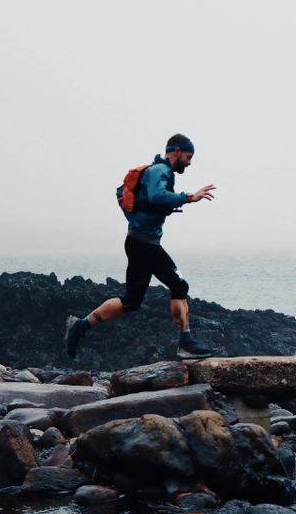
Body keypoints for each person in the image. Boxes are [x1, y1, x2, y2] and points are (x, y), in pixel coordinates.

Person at [65, 133, 217, 360]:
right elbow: (157, 197)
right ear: (176, 152)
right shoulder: (160, 171)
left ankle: (186, 342)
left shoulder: (159, 172)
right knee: (132, 301)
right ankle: (79, 326)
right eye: (188, 156)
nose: (189, 162)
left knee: (179, 286)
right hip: (141, 245)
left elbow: (155, 200)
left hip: (148, 244)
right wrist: (188, 197)